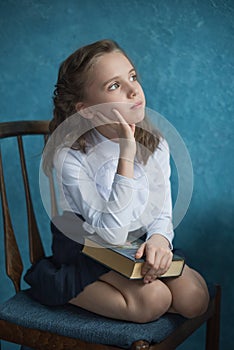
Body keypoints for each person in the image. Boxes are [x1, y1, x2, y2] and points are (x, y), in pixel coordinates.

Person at [24, 39, 209, 323]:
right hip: (89, 246)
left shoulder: (156, 143)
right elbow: (110, 235)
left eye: (132, 77)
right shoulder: (70, 155)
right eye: (114, 86)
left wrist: (159, 240)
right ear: (86, 109)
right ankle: (55, 284)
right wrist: (126, 156)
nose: (134, 90)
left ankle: (142, 283)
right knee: (153, 300)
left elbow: (161, 210)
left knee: (195, 298)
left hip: (136, 242)